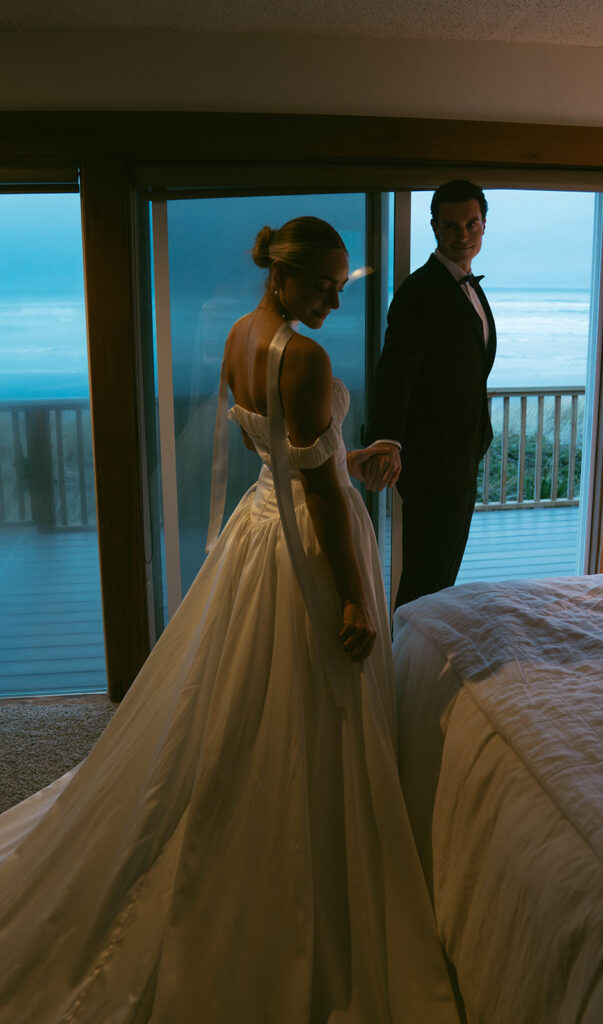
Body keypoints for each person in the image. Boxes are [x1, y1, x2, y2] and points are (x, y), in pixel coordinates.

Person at [0, 216, 460, 1023]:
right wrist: (355, 594)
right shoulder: (306, 355)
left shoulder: (241, 335)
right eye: (320, 284)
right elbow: (313, 493)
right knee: (310, 696)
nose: (330, 299)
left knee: (240, 685)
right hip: (306, 544)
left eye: (338, 285)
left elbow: (281, 456)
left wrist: (352, 462)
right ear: (280, 276)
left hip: (256, 530)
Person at [366, 179, 497, 608]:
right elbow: (394, 373)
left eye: (471, 225)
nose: (462, 236)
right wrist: (387, 441)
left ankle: (421, 660)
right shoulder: (421, 290)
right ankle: (403, 665)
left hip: (461, 455)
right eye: (451, 226)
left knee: (442, 576)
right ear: (435, 228)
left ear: (483, 225)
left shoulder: (468, 285)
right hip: (433, 462)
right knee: (425, 578)